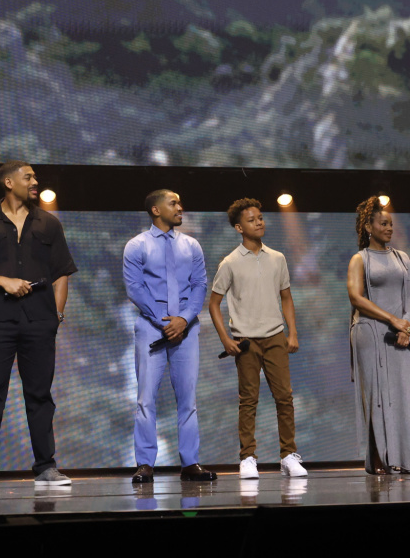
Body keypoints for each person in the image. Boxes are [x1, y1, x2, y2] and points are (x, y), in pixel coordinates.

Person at [0, 161, 77, 489]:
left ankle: (47, 466)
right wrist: (2, 281)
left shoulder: (48, 223)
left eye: (35, 177)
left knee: (40, 394)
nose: (35, 182)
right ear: (9, 182)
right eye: (28, 177)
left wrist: (57, 315)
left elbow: (61, 272)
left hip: (39, 321)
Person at [208, 198, 307, 479]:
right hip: (245, 341)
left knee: (284, 398)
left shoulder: (277, 258)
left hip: (275, 336)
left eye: (261, 217)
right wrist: (225, 339)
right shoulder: (229, 263)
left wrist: (293, 332)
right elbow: (213, 303)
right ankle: (247, 458)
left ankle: (288, 455)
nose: (259, 222)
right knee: (248, 400)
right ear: (239, 227)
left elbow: (286, 297)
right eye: (252, 220)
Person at [122, 189, 216, 483]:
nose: (180, 207)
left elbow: (200, 285)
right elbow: (134, 288)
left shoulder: (191, 245)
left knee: (188, 399)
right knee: (145, 399)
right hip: (152, 326)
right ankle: (145, 464)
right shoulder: (137, 245)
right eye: (173, 203)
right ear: (155, 210)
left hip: (186, 328)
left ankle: (190, 463)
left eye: (179, 202)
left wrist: (183, 320)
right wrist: (165, 322)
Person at [345, 196, 410, 475]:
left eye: (391, 224)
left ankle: (399, 457)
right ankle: (377, 456)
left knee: (399, 393)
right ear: (368, 227)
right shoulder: (359, 259)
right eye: (383, 223)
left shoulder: (402, 258)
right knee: (375, 394)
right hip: (368, 331)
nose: (389, 228)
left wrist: (405, 326)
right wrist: (392, 320)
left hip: (399, 333)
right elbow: (355, 297)